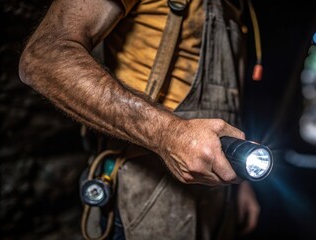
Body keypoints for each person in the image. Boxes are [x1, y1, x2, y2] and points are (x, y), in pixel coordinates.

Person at [18, 0, 261, 239]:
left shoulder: (239, 5)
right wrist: (169, 133)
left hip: (219, 193)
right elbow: (44, 55)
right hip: (147, 190)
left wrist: (241, 185)